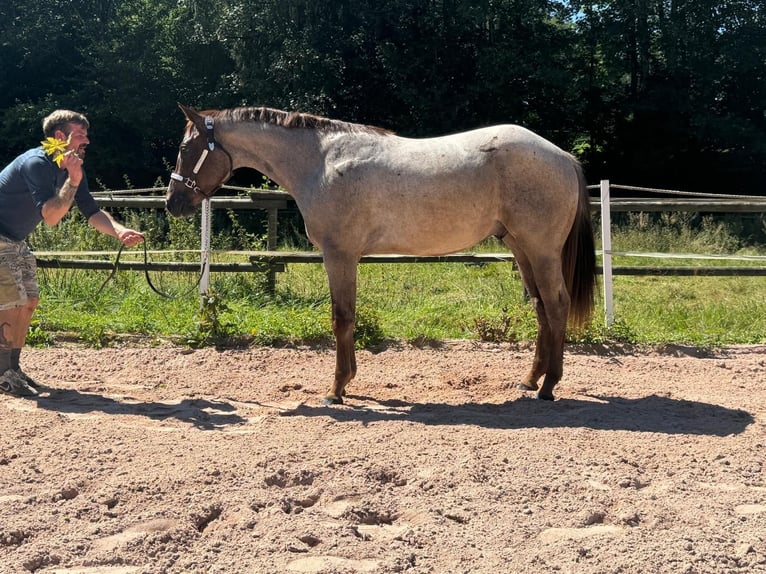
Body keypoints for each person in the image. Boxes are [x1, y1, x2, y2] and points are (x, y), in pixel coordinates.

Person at [0, 109, 144, 397]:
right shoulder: (37, 163)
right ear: (59, 137)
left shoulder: (71, 169)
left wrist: (118, 230)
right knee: (12, 302)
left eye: (85, 135)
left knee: (29, 301)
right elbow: (52, 216)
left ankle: (12, 369)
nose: (86, 141)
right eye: (80, 135)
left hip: (14, 240)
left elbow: (91, 211)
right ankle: (3, 374)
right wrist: (74, 179)